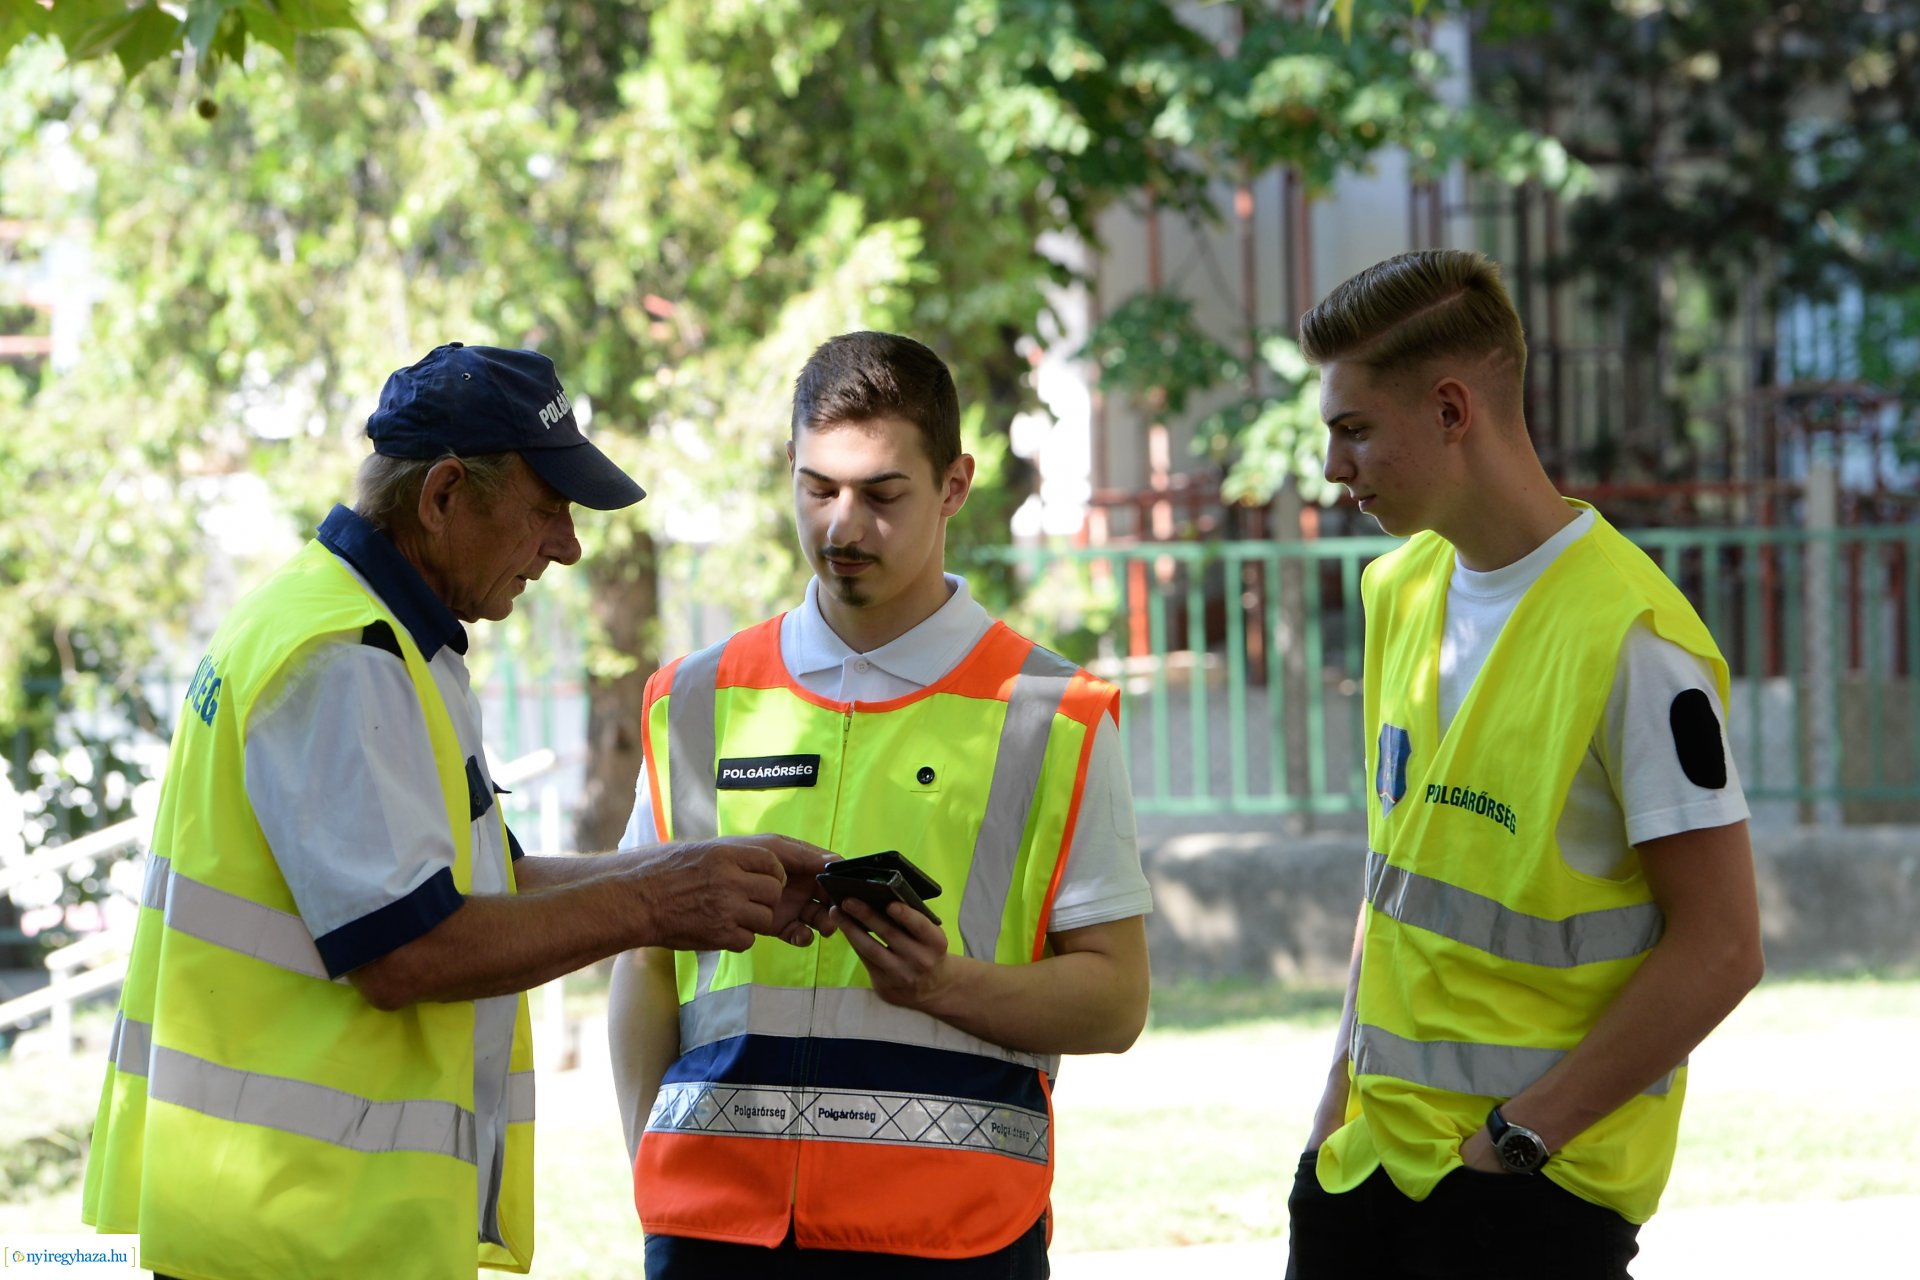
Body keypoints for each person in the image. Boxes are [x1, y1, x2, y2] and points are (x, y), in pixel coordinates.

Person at [81, 342, 834, 1280]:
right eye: (546, 509)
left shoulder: (371, 633)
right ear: (441, 497)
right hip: (298, 1231)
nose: (568, 545)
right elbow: (408, 951)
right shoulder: (344, 656)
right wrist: (658, 904)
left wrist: (704, 874)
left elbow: (492, 883)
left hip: (311, 1223)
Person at [608, 330, 1153, 1278]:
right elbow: (645, 968)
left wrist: (946, 987)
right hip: (712, 1235)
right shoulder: (693, 699)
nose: (842, 528)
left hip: (954, 1237)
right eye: (817, 489)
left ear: (954, 485)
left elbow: (1115, 1002)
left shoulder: (1052, 714)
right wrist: (650, 1179)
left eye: (881, 495)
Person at [1285, 251, 1766, 1279]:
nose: (1334, 469)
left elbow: (1723, 946)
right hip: (1360, 1171)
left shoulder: (1635, 639)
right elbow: (1396, 882)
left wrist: (1518, 1138)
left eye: (1354, 429)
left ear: (1453, 410)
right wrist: (1331, 1112)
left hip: (1527, 1195)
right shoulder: (1397, 589)